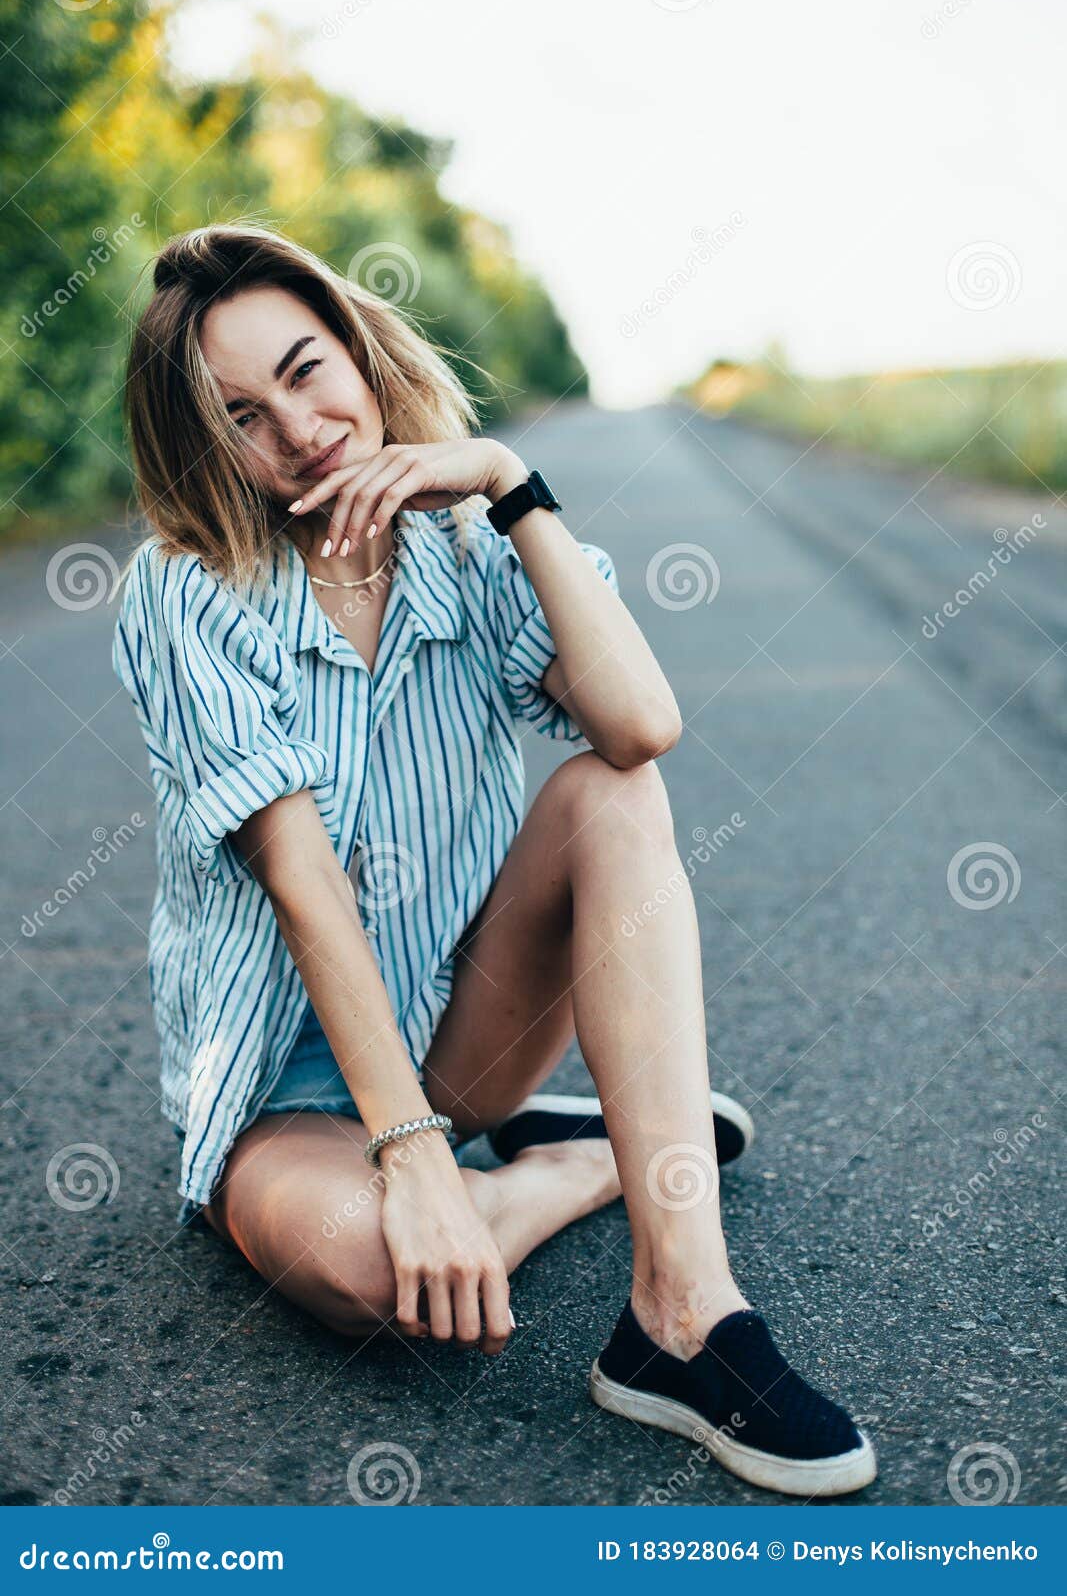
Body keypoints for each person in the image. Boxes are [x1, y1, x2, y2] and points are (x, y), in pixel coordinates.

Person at [111, 222, 876, 1498]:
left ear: (357, 346)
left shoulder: (462, 548)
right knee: (384, 1281)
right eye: (242, 415)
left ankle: (680, 1312)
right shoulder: (186, 592)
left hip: (446, 1037)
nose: (298, 428)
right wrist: (410, 1158)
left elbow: (639, 725)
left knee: (613, 796)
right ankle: (579, 1161)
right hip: (279, 1098)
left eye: (308, 369)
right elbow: (306, 888)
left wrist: (508, 485)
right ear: (204, 446)